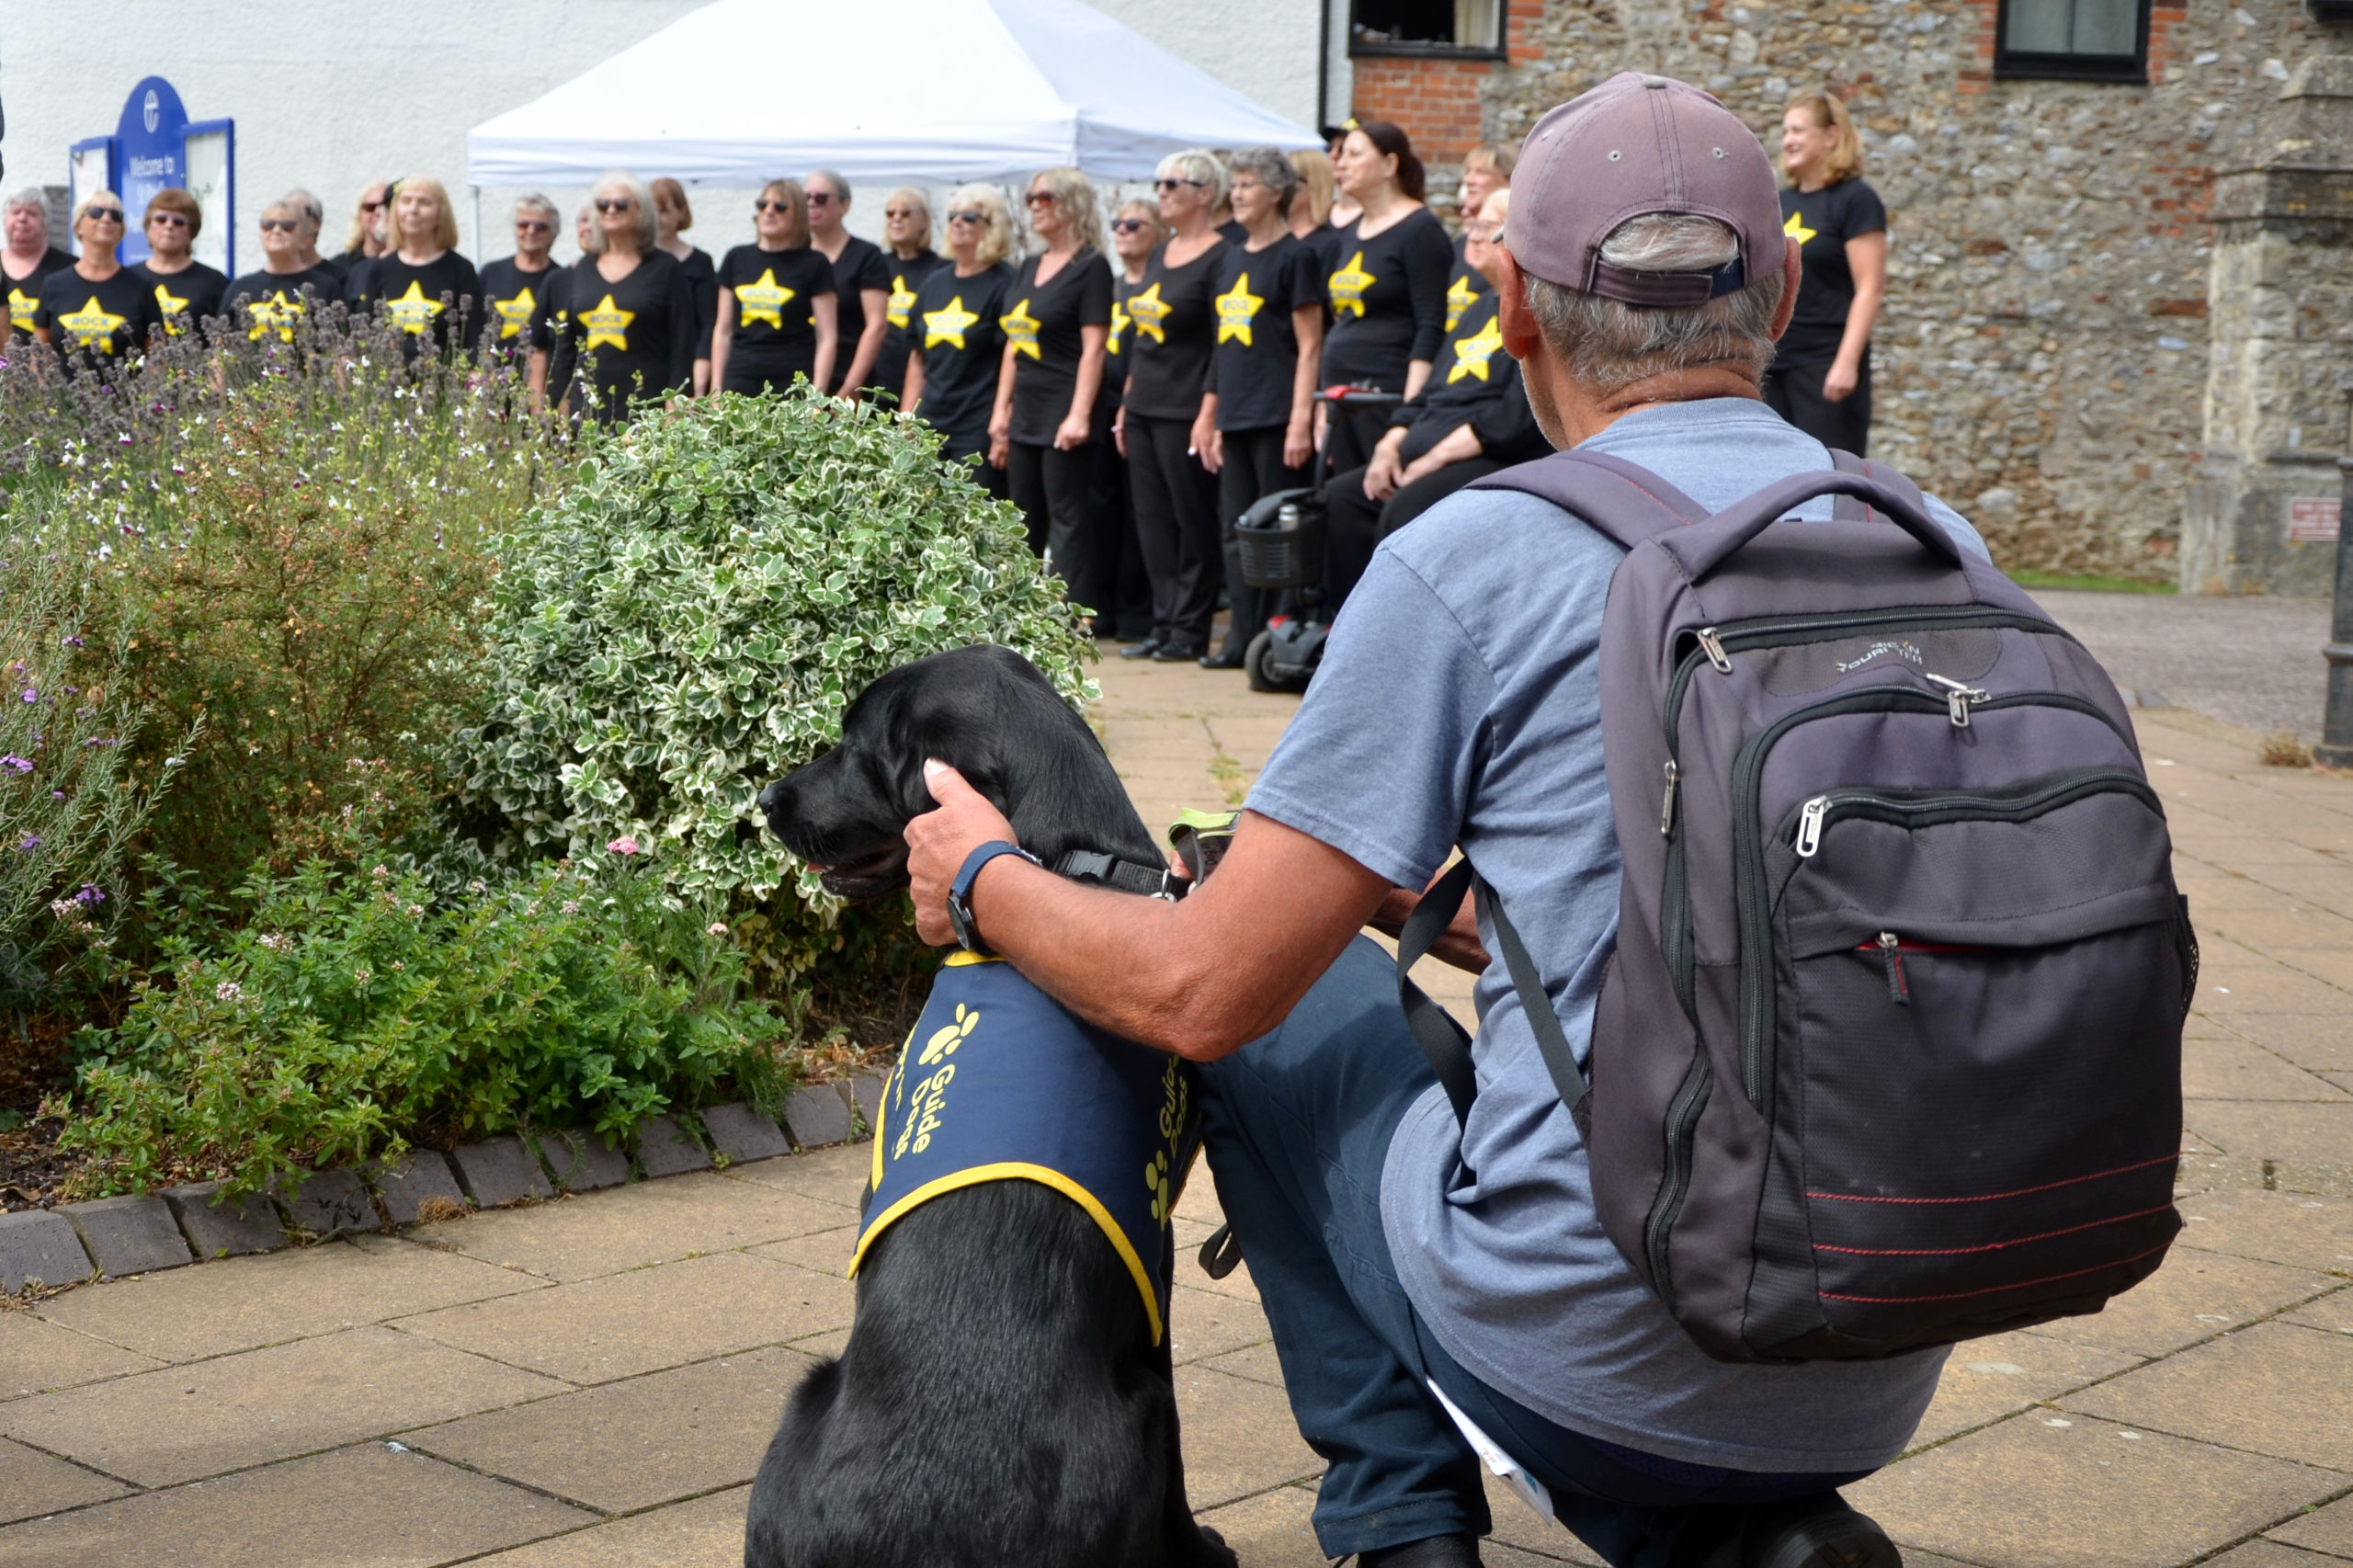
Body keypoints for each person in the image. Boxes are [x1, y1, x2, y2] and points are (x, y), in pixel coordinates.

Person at [897, 72, 1989, 1568]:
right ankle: (1752, 1534)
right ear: (1785, 282)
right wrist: (1480, 909)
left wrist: (983, 879)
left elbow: (1198, 988)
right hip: (1883, 1335)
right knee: (1355, 953)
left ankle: (1412, 1529)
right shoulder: (1934, 540)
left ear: (1516, 309)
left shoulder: (1482, 554)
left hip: (1615, 1351)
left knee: (1282, 1010)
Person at [1320, 187, 1548, 608]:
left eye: (1487, 225)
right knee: (1343, 500)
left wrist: (1434, 458)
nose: (1473, 236)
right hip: (1424, 450)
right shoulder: (1477, 309)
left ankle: (1393, 631)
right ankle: (1344, 627)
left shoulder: (1536, 313)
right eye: (1472, 225)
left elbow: (1514, 418)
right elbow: (1427, 395)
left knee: (1404, 508)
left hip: (1486, 460)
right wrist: (1390, 444)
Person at [1199, 147, 1324, 670]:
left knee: (1275, 532)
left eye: (1248, 184)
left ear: (1276, 191)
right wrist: (1207, 415)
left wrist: (1299, 420)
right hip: (1234, 412)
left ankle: (1271, 636)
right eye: (1236, 184)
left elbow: (1311, 344)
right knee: (1234, 530)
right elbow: (1219, 347)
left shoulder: (1297, 256)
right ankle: (1238, 637)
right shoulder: (1228, 257)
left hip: (1275, 414)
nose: (1238, 193)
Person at [1114, 151, 1230, 664]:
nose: (1160, 191)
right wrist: (1126, 403)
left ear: (1204, 193)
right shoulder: (1162, 252)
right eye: (1157, 182)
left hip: (1186, 406)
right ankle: (1164, 624)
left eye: (1172, 183)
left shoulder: (1222, 256)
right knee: (1153, 522)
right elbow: (1143, 338)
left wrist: (1208, 413)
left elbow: (1221, 341)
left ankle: (1190, 629)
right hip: (1144, 403)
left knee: (1191, 521)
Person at [992, 167, 1113, 607]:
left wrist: (1080, 413)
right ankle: (1023, 611)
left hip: (1065, 406)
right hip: (1026, 406)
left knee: (1068, 516)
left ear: (1072, 203)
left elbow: (1095, 348)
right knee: (1023, 517)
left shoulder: (1091, 267)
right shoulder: (1029, 265)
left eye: (1046, 197)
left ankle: (1071, 617)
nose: (1035, 206)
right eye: (1031, 198)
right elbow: (1013, 344)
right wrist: (1001, 410)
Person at [1319, 121, 1453, 477]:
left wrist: (1407, 415)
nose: (1341, 162)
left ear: (1389, 165)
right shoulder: (1348, 234)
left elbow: (1430, 324)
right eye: (1340, 154)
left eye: (1354, 154)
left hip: (1385, 396)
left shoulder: (1420, 230)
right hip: (1340, 398)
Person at [1764, 88, 1886, 456]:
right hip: (1775, 363)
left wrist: (1846, 365)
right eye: (1785, 131)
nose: (1788, 140)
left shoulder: (1855, 200)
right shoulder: (1779, 202)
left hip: (1824, 366)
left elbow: (1870, 288)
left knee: (1828, 475)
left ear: (1831, 136)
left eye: (1798, 130)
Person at [539, 171, 699, 424]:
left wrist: (677, 404)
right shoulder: (581, 269)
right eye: (603, 204)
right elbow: (567, 346)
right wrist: (556, 402)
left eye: (620, 204)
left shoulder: (666, 268)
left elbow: (682, 342)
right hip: (587, 412)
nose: (610, 210)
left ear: (641, 211)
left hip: (646, 409)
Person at [903, 185, 1018, 499]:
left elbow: (1014, 354)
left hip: (977, 426)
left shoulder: (1007, 283)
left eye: (969, 217)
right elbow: (917, 357)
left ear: (992, 226)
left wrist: (1001, 421)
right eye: (953, 216)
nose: (957, 222)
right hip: (931, 422)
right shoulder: (934, 283)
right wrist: (907, 419)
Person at [1093, 199, 1167, 643]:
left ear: (1157, 231)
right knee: (1102, 511)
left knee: (1143, 515)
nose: (1122, 230)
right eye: (1116, 223)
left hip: (1146, 410)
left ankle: (1139, 612)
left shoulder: (1161, 287)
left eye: (1133, 224)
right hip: (1102, 409)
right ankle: (1103, 609)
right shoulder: (1113, 287)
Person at [710, 178, 837, 397]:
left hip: (791, 379)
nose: (769, 211)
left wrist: (817, 395)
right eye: (762, 204)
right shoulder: (736, 257)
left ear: (798, 215)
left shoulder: (814, 263)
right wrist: (715, 391)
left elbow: (827, 337)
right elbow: (723, 331)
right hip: (740, 376)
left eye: (780, 206)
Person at [349, 175, 480, 362]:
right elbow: (366, 336)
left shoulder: (460, 270)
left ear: (440, 214)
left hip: (444, 385)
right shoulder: (378, 270)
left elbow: (474, 338)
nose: (413, 209)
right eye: (406, 201)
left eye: (424, 203)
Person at [31, 190, 164, 371]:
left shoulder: (141, 288)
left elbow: (158, 358)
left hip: (126, 397)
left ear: (121, 230)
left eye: (116, 216)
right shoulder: (53, 285)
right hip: (65, 397)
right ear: (79, 226)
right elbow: (39, 357)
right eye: (96, 212)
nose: (107, 219)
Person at [805, 170, 891, 397]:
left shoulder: (866, 256)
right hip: (799, 375)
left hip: (847, 374)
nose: (812, 204)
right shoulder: (797, 256)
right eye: (806, 198)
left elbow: (876, 326)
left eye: (821, 198)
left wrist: (850, 386)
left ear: (845, 205)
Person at [222, 199, 343, 343]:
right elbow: (219, 346)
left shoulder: (326, 287)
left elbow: (342, 349)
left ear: (305, 239)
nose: (276, 230)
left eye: (287, 226)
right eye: (268, 225)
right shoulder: (240, 287)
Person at [873, 187, 945, 409]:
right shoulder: (875, 264)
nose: (896, 218)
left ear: (923, 221)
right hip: (877, 382)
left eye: (905, 213)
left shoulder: (940, 269)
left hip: (919, 381)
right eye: (890, 213)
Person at [651, 177, 719, 396]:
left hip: (688, 367)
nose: (657, 219)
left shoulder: (700, 262)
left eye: (663, 211)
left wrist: (700, 381)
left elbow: (708, 323)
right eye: (651, 211)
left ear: (681, 212)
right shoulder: (638, 263)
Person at [130, 187, 227, 333]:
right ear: (148, 226)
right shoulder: (129, 278)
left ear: (192, 231)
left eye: (179, 222)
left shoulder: (214, 282)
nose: (169, 226)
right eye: (161, 219)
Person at [477, 195, 559, 355]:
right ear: (515, 230)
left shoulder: (560, 278)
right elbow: (475, 326)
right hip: (492, 373)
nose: (531, 231)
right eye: (523, 225)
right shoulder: (491, 272)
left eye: (540, 226)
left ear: (553, 233)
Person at [1445, 143, 1513, 331]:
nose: (1469, 180)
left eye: (1481, 172)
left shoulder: (1514, 246)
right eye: (1468, 172)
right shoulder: (1459, 245)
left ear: (1509, 180)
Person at [4, 187, 73, 340]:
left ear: (46, 223)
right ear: (4, 218)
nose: (22, 218)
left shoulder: (69, 268)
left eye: (32, 213)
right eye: (16, 212)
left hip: (47, 360)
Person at [280, 187, 344, 289]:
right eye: (285, 215)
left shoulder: (338, 278)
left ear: (317, 224)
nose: (292, 220)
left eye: (300, 213)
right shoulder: (267, 278)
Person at [335, 180, 392, 274]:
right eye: (370, 207)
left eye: (385, 207)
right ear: (359, 215)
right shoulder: (340, 267)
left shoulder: (409, 263)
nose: (377, 212)